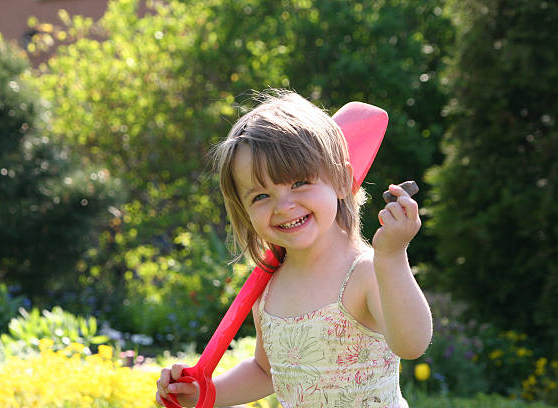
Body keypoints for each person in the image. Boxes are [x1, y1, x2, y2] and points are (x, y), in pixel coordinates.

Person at [156, 90, 432, 407]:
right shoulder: (268, 287)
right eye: (261, 196)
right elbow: (265, 371)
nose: (284, 206)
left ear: (342, 180)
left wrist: (393, 258)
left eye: (299, 183)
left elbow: (412, 344)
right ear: (244, 209)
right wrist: (206, 393)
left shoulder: (366, 271)